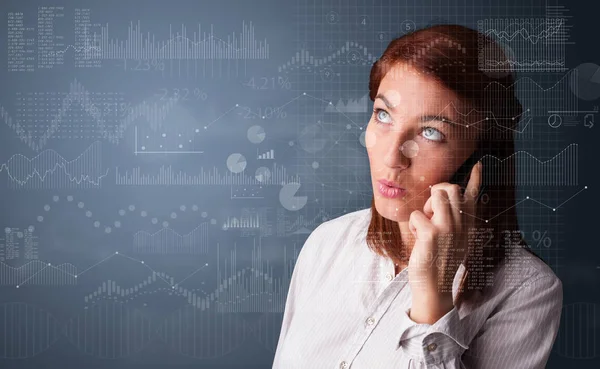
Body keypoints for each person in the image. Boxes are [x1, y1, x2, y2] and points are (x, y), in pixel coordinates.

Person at [272, 24, 563, 369]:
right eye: (383, 115)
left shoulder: (526, 290)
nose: (392, 156)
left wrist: (433, 300)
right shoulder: (327, 243)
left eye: (430, 132)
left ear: (478, 159)